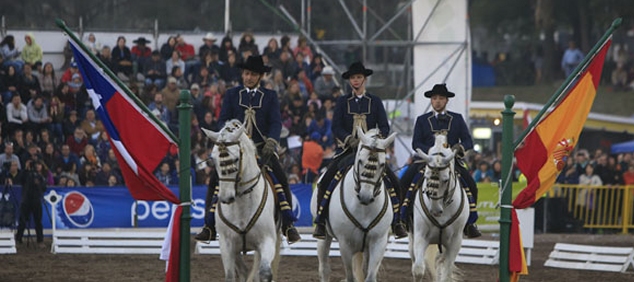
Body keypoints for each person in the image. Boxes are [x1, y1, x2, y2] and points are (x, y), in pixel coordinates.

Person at [194, 55, 300, 244]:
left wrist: (272, 141)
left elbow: (276, 122)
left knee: (281, 179)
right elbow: (222, 119)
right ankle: (209, 226)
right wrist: (229, 131)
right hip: (236, 148)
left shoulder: (270, 96)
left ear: (260, 76)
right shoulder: (232, 94)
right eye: (246, 74)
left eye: (253, 74)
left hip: (261, 148)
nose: (248, 77)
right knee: (215, 181)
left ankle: (288, 224)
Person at [312, 61, 407, 239]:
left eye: (359, 78)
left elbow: (384, 127)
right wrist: (349, 139)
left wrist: (375, 139)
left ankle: (397, 222)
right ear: (350, 82)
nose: (356, 81)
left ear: (364, 79)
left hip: (371, 151)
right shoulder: (342, 101)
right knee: (326, 181)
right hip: (348, 150)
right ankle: (321, 220)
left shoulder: (375, 101)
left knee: (394, 181)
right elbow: (336, 126)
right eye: (353, 78)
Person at [398, 83, 481, 238]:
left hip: (450, 162)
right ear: (431, 100)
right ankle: (401, 220)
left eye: (441, 98)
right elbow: (416, 143)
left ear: (446, 100)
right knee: (404, 181)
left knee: (471, 184)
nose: (437, 101)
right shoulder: (422, 120)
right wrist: (430, 153)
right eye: (434, 98)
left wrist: (458, 147)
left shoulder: (457, 119)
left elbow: (468, 141)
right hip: (426, 162)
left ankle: (470, 223)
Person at [14, 160, 47, 246]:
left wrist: (38, 183)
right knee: (23, 221)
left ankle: (40, 240)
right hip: (26, 200)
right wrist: (26, 169)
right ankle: (18, 238)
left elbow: (44, 188)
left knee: (38, 221)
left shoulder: (40, 176)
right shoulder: (26, 174)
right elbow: (19, 179)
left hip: (36, 200)